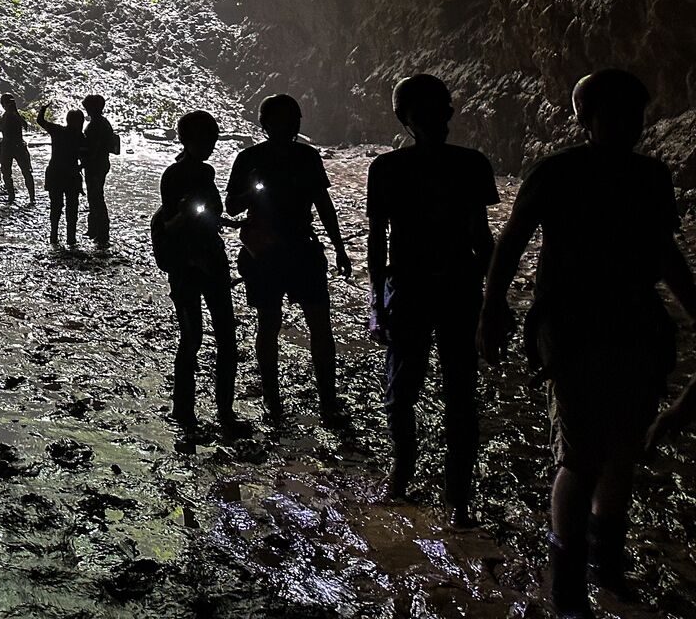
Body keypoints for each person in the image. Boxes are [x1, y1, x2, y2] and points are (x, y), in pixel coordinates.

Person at [479, 70, 696, 617]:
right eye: (614, 115)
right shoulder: (557, 173)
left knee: (621, 452)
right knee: (580, 456)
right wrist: (492, 307)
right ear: (586, 119)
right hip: (573, 329)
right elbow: (512, 241)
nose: (627, 126)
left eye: (634, 116)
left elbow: (663, 250)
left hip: (634, 326)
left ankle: (605, 562)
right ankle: (569, 580)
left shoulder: (651, 176)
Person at [366, 74, 497, 527]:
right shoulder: (393, 169)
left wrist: (491, 299)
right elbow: (377, 242)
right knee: (407, 393)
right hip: (422, 289)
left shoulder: (398, 168)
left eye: (439, 110)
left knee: (449, 393)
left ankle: (449, 493)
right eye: (425, 112)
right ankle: (410, 482)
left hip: (439, 290)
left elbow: (483, 237)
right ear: (406, 119)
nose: (436, 120)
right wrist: (377, 303)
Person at [225, 93, 352, 423]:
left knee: (281, 326)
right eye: (282, 120)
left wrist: (339, 246)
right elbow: (232, 206)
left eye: (291, 121)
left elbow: (323, 204)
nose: (287, 126)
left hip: (279, 251)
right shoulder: (282, 158)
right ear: (265, 125)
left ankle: (282, 403)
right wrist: (337, 247)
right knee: (304, 326)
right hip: (283, 251)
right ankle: (314, 402)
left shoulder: (262, 157)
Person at [152, 109, 249, 434]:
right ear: (187, 140)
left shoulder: (206, 172)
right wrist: (187, 228)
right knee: (192, 338)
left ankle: (223, 410)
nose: (209, 146)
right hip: (187, 267)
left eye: (212, 140)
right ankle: (184, 411)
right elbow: (169, 224)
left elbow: (211, 213)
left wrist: (229, 223)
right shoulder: (173, 175)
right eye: (204, 140)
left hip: (211, 260)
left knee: (225, 338)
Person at [37, 102, 85, 247]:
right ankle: (71, 238)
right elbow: (86, 158)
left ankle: (53, 235)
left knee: (56, 206)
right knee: (72, 207)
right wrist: (80, 167)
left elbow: (40, 121)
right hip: (71, 175)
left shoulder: (57, 130)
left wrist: (43, 109)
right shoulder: (81, 137)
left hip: (55, 173)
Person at [82, 94, 120, 249]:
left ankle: (102, 233)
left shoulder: (97, 124)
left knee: (96, 196)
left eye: (87, 106)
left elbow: (95, 147)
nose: (85, 109)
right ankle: (94, 230)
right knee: (94, 195)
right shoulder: (101, 122)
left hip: (96, 164)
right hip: (100, 163)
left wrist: (86, 161)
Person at [0, 93, 35, 204]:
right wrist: (9, 114)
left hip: (17, 146)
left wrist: (15, 113)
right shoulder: (1, 118)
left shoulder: (18, 116)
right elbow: (0, 128)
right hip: (8, 147)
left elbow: (26, 126)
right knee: (6, 173)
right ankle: (11, 196)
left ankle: (32, 197)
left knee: (27, 172)